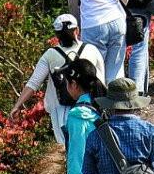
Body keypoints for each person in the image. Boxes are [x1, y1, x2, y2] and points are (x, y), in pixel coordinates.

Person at [14, 12, 106, 146]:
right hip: (90, 106)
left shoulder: (50, 55)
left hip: (62, 110)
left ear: (56, 36)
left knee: (69, 147)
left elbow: (33, 83)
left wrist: (17, 106)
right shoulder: (91, 50)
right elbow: (101, 80)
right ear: (77, 31)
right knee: (90, 146)